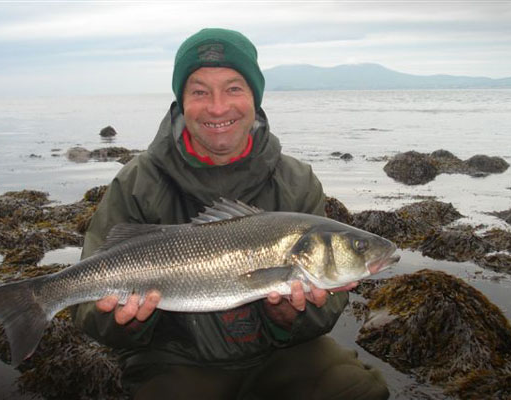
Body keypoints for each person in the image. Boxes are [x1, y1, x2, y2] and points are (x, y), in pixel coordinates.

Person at [72, 28, 389, 400]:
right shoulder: (136, 182)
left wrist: (290, 315)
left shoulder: (297, 180)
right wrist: (120, 321)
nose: (218, 107)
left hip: (282, 354)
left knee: (358, 391)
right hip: (174, 360)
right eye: (200, 91)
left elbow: (325, 309)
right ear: (181, 101)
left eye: (234, 88)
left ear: (254, 97)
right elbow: (88, 311)